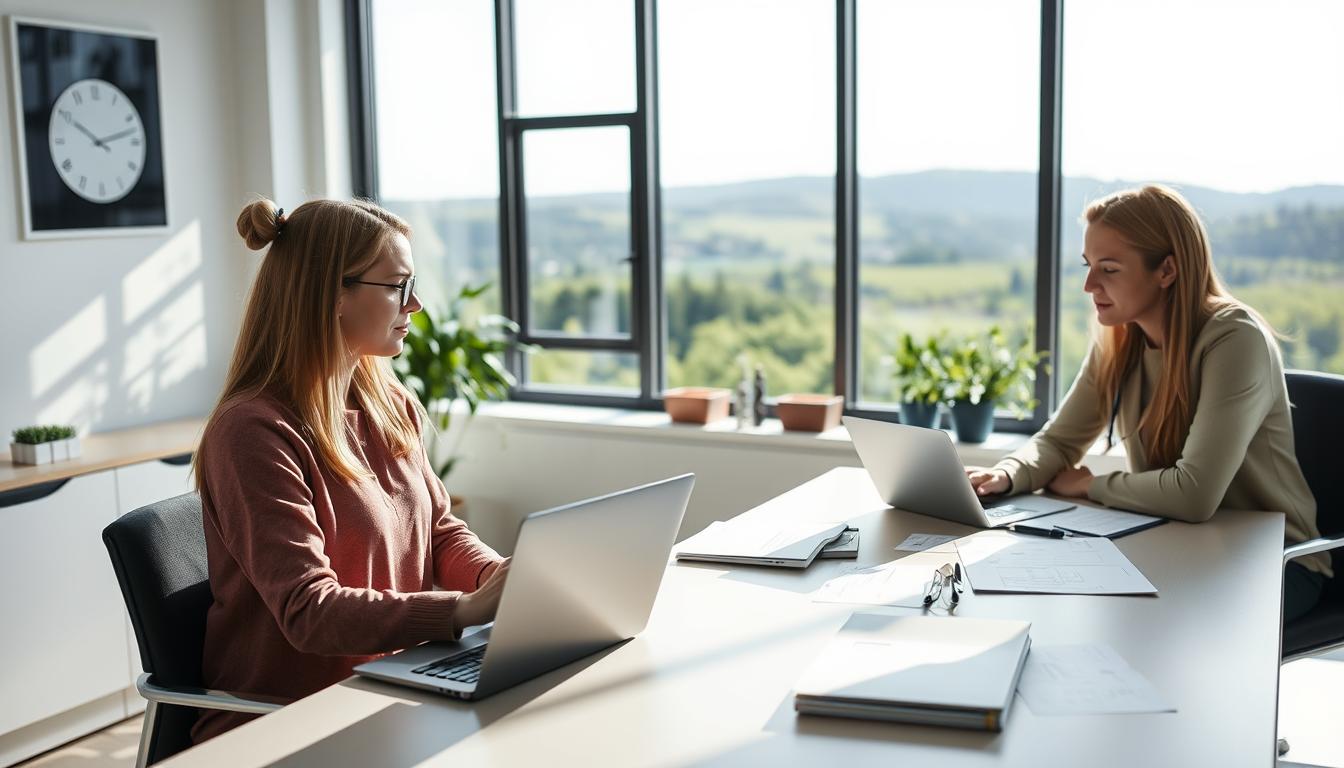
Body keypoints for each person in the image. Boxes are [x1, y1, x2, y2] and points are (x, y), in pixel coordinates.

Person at [189, 198, 508, 743]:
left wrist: (497, 577)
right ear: (334, 293)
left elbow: (437, 530)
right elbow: (309, 611)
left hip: (391, 690)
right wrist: (461, 610)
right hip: (286, 723)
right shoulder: (253, 433)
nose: (417, 305)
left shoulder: (389, 405)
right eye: (399, 287)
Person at [965, 185, 1330, 622]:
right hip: (1179, 547)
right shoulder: (1119, 339)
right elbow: (1060, 441)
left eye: (1110, 269)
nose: (1088, 285)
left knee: (1140, 628)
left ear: (1167, 270)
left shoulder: (1235, 338)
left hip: (1277, 564)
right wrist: (1007, 474)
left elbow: (1194, 494)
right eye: (1088, 266)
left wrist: (1089, 486)